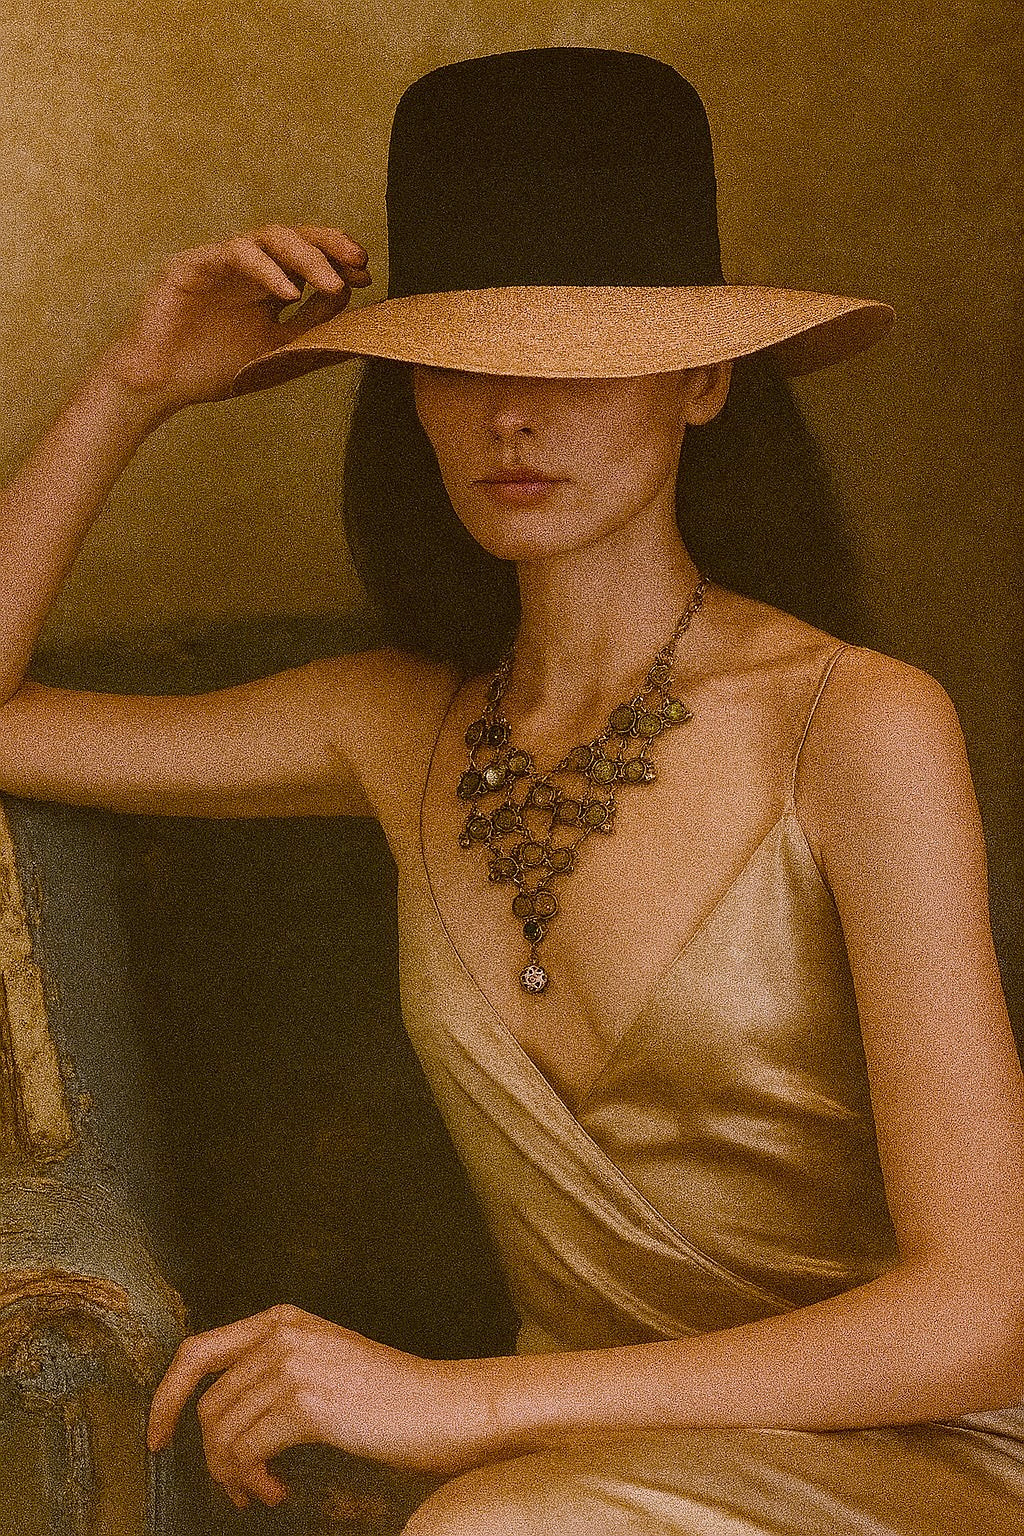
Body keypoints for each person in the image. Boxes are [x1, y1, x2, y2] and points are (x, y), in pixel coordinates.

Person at [3, 45, 1023, 1535]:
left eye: (576, 354)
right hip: (576, 1478)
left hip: (913, 1453)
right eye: (460, 358)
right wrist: (134, 386)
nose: (509, 416)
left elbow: (984, 1313)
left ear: (704, 378)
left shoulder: (857, 723)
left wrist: (459, 1405)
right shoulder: (391, 724)